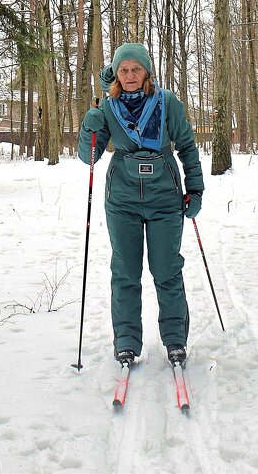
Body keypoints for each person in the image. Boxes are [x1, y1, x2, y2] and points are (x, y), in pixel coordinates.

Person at [78, 42, 204, 367]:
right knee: (125, 272)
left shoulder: (168, 103)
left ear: (146, 70)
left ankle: (175, 340)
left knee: (167, 271)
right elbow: (88, 157)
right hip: (122, 198)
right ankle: (126, 342)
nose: (131, 75)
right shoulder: (107, 108)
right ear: (117, 75)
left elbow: (187, 147)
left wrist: (196, 190)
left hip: (164, 196)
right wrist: (89, 127)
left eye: (136, 69)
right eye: (124, 70)